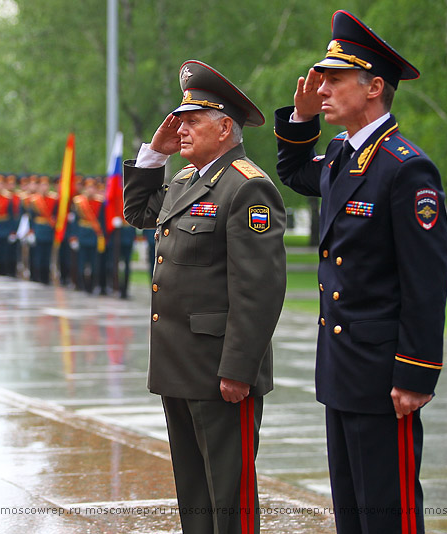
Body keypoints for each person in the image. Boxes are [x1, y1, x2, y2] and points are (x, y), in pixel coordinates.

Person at [274, 11, 447, 534]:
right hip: (342, 368)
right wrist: (302, 119)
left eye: (334, 80)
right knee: (352, 511)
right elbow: (293, 172)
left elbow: (426, 280)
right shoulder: (340, 157)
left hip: (382, 374)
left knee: (388, 513)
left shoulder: (404, 166)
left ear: (374, 87)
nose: (321, 88)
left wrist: (416, 372)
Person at [123, 60, 286, 534]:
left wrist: (238, 369)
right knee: (194, 493)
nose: (181, 128)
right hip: (179, 364)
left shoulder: (246, 186)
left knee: (229, 496)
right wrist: (155, 152)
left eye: (192, 121)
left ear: (224, 127)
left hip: (220, 370)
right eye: (179, 120)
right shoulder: (184, 181)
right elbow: (137, 211)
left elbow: (258, 291)